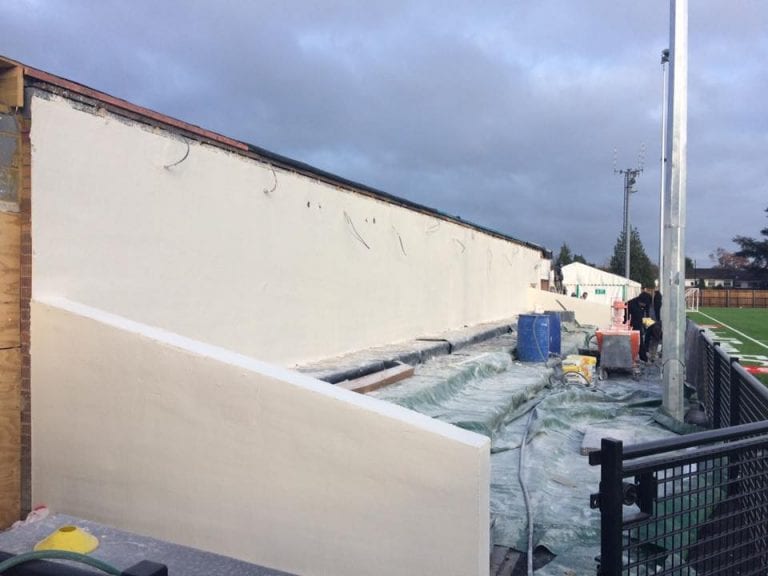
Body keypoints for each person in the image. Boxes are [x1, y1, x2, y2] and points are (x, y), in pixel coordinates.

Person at [626, 291, 653, 362]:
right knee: (638, 341)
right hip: (632, 324)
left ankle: (643, 356)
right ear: (640, 301)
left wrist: (647, 321)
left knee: (642, 340)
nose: (644, 306)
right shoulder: (630, 304)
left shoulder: (646, 304)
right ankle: (641, 357)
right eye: (643, 304)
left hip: (640, 323)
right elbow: (625, 317)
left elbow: (647, 314)